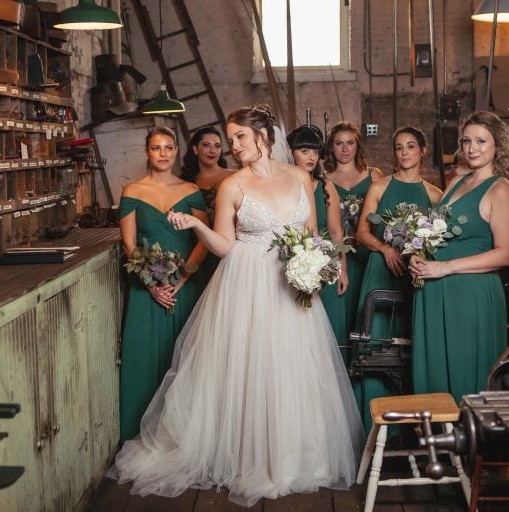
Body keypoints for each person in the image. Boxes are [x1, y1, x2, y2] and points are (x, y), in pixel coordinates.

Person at [108, 105, 363, 507]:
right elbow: (225, 246)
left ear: (262, 136)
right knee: (251, 366)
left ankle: (294, 455)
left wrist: (315, 269)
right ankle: (250, 454)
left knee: (292, 365)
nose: (234, 145)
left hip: (292, 283)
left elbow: (311, 234)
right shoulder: (233, 185)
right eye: (231, 140)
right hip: (248, 282)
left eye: (240, 137)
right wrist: (197, 226)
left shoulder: (300, 178)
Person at [409, 111, 509, 402]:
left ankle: (468, 443)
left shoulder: (500, 189)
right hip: (435, 289)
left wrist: (445, 267)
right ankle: (440, 442)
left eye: (481, 141)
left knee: (464, 370)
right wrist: (419, 256)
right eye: (467, 140)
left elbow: (506, 255)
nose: (472, 148)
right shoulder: (458, 180)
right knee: (437, 372)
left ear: (499, 145)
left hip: (469, 294)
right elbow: (438, 231)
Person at [117, 126, 209, 441]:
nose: (163, 154)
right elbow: (129, 244)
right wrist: (151, 283)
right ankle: (137, 430)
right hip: (146, 287)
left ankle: (184, 435)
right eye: (156, 148)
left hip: (186, 282)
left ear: (175, 151)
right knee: (142, 355)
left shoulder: (190, 190)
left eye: (169, 147)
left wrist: (181, 280)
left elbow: (203, 241)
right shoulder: (131, 191)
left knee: (185, 357)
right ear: (147, 152)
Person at [352, 127, 443, 431]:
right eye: (399, 147)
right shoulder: (378, 187)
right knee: (375, 343)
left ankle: (411, 430)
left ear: (423, 150)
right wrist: (385, 248)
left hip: (414, 278)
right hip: (380, 271)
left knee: (410, 346)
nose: (404, 152)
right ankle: (373, 427)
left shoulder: (434, 194)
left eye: (411, 146)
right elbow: (362, 233)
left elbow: (438, 240)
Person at [287, 124, 348, 346]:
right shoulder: (283, 187)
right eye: (304, 151)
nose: (311, 157)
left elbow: (335, 231)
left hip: (325, 264)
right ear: (290, 152)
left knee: (327, 329)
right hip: (291, 264)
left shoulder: (325, 186)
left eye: (315, 151)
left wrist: (342, 270)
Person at [323, 122, 383, 339]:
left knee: (364, 306)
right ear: (331, 147)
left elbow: (383, 217)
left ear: (358, 146)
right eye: (339, 143)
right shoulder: (323, 176)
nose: (345, 149)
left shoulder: (373, 175)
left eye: (350, 143)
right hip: (337, 253)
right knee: (340, 308)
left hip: (366, 252)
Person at [181, 126, 233, 278]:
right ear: (195, 149)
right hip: (195, 248)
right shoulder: (186, 183)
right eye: (206, 145)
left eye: (217, 146)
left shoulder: (233, 178)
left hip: (226, 247)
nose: (212, 151)